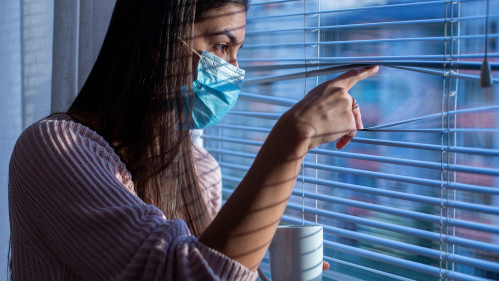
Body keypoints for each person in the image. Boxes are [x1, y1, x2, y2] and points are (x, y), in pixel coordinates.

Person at [8, 0, 378, 280]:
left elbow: (209, 266)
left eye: (237, 53)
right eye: (220, 47)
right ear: (160, 43)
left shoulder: (202, 169)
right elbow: (177, 271)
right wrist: (293, 136)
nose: (233, 71)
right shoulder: (53, 148)